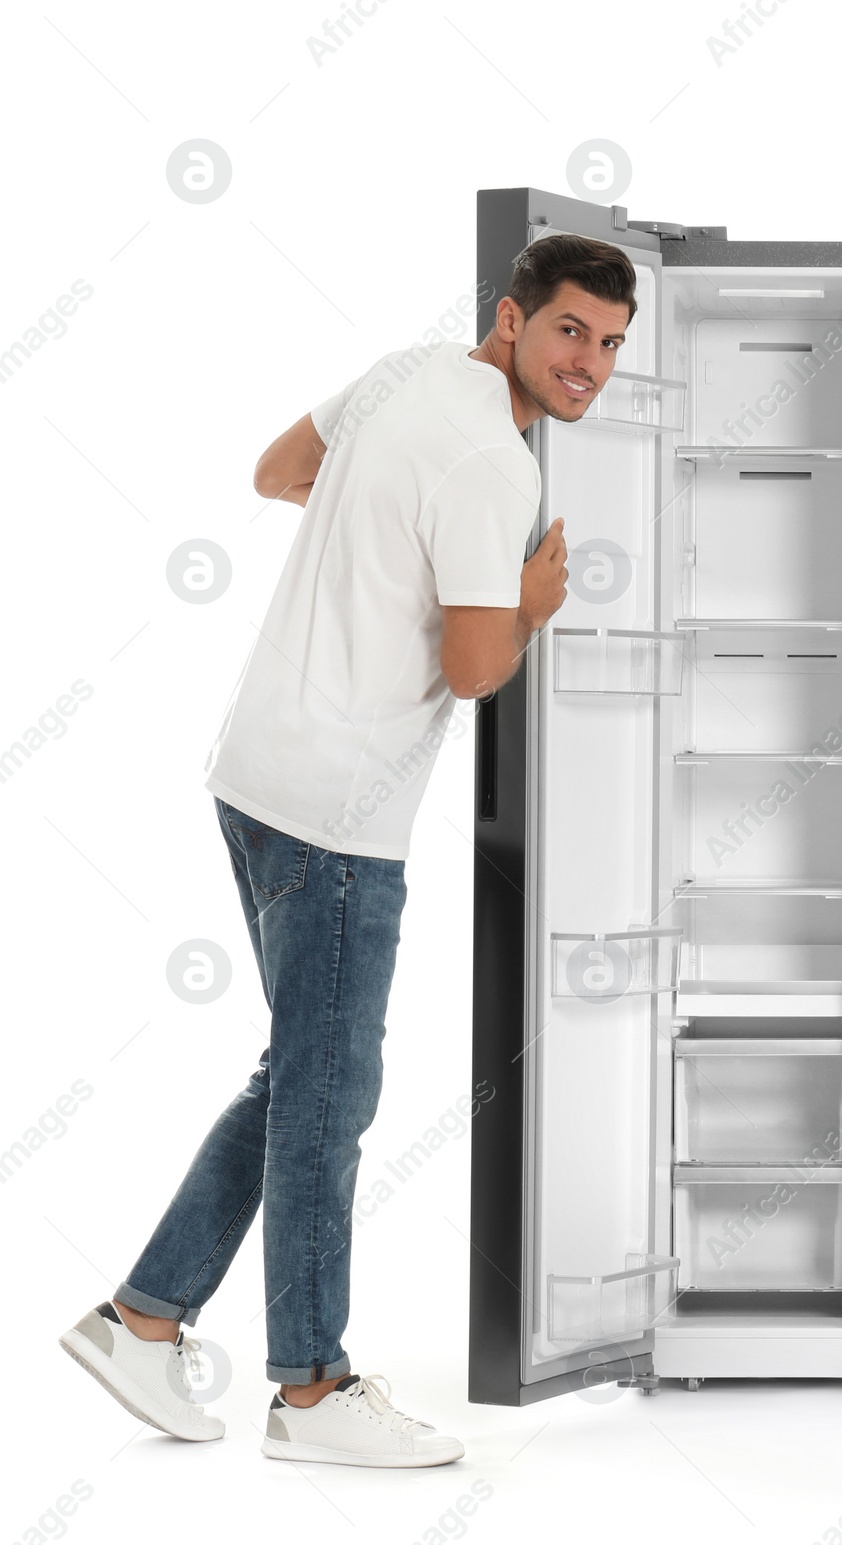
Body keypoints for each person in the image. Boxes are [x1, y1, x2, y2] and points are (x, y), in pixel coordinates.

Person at [57, 231, 638, 1467]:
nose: (590, 365)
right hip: (333, 816)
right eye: (573, 332)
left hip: (257, 770)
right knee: (327, 1103)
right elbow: (476, 670)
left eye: (612, 344)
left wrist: (382, 535)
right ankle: (310, 1395)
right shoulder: (496, 464)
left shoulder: (406, 373)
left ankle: (142, 1321)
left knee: (302, 1076)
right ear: (513, 318)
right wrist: (528, 605)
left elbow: (277, 471)